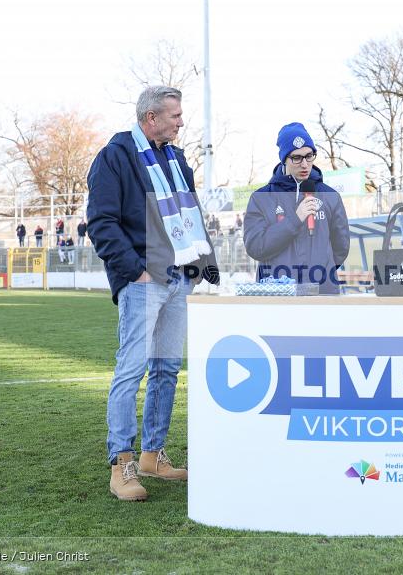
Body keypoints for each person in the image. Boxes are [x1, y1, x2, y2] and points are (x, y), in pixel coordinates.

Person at [87, 85, 219, 501]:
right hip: (144, 281)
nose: (181, 121)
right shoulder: (115, 156)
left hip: (179, 278)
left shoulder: (177, 159)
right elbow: (102, 222)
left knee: (166, 369)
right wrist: (135, 272)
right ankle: (120, 462)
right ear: (150, 119)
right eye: (175, 115)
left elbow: (190, 213)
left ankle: (152, 454)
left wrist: (204, 267)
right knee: (132, 369)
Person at [244, 122, 350, 294]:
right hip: (277, 295)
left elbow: (341, 247)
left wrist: (321, 270)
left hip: (322, 294)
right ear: (284, 159)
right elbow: (256, 247)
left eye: (309, 156)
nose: (304, 164)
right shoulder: (261, 198)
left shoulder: (330, 196)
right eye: (296, 157)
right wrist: (294, 219)